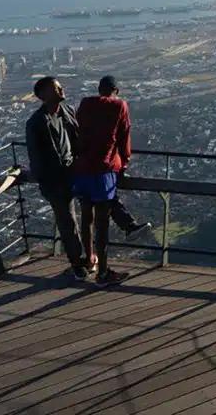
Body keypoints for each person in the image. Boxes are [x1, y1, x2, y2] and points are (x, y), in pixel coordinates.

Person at [72, 75, 143, 287]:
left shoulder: (85, 104)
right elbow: (124, 136)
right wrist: (125, 163)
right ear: (116, 90)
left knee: (87, 217)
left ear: (99, 88)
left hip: (82, 168)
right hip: (104, 169)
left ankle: (89, 259)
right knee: (102, 223)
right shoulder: (119, 105)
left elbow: (77, 132)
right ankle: (103, 273)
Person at [25, 76, 89, 280]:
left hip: (76, 172)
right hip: (56, 182)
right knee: (68, 222)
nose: (62, 90)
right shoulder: (36, 123)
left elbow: (80, 138)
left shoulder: (68, 111)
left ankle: (90, 258)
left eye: (60, 87)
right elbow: (36, 158)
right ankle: (78, 263)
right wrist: (48, 183)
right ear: (43, 95)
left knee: (92, 213)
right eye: (56, 88)